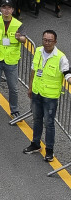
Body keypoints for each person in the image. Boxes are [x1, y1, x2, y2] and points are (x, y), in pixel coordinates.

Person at [28, 30, 69, 164]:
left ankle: (49, 150)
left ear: (55, 42)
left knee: (49, 123)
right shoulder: (39, 51)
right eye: (44, 40)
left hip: (50, 97)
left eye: (49, 40)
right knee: (37, 119)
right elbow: (33, 70)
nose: (46, 43)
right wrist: (30, 88)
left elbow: (67, 74)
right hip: (37, 93)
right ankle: (35, 143)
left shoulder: (61, 57)